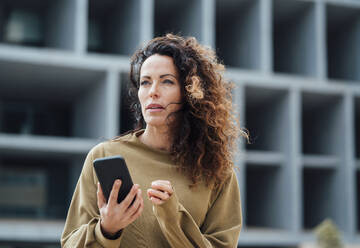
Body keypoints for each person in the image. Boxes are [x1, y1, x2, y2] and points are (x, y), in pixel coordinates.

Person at [61, 34, 247, 248]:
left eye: (166, 81)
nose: (152, 92)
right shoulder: (104, 156)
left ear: (189, 92)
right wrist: (106, 230)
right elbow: (70, 243)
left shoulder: (217, 170)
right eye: (145, 82)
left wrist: (173, 219)